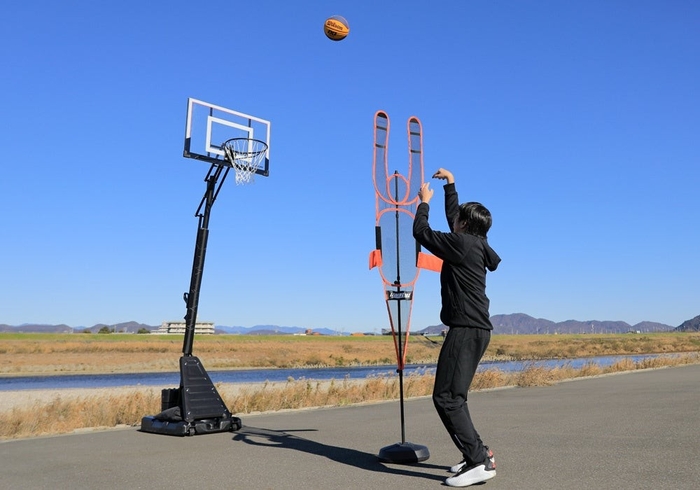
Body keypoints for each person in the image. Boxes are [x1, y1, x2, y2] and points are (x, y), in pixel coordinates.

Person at [413, 168, 501, 488]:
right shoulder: (475, 243)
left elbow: (422, 232)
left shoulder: (462, 244)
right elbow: (455, 218)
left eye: (459, 220)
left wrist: (424, 203)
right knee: (455, 397)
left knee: (447, 398)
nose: (455, 222)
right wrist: (451, 185)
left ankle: (479, 462)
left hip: (465, 329)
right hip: (475, 329)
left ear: (465, 225)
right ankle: (476, 453)